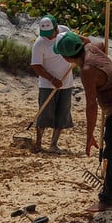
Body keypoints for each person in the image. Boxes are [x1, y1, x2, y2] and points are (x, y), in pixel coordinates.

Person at [53, 31, 112, 213]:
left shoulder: (88, 71)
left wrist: (89, 136)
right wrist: (82, 40)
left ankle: (106, 200)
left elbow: (91, 106)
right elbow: (99, 44)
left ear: (67, 58)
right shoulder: (91, 48)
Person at [30, 15, 74, 153]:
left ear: (56, 28)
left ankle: (53, 144)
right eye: (45, 34)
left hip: (66, 82)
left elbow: (74, 44)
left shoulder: (65, 32)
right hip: (47, 85)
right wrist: (52, 79)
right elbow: (36, 66)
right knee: (44, 115)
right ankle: (38, 143)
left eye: (51, 34)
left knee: (62, 115)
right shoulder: (39, 43)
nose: (48, 37)